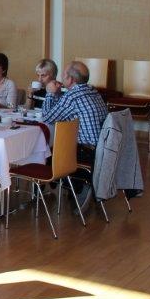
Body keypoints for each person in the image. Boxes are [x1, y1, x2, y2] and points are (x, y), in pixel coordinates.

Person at [41, 61, 110, 209]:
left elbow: (47, 117)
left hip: (86, 152)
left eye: (63, 74)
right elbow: (64, 111)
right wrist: (57, 94)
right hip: (103, 149)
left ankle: (75, 185)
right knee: (52, 150)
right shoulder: (92, 91)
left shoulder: (72, 96)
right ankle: (72, 186)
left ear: (70, 79)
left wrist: (50, 93)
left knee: (46, 152)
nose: (61, 77)